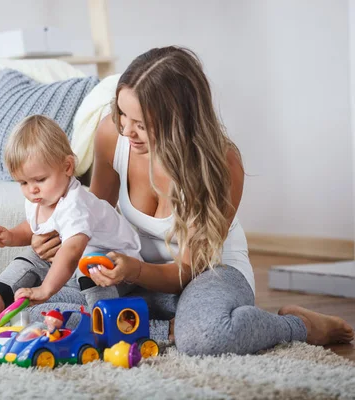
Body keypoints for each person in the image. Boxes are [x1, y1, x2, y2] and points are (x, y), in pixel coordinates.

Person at [26, 46, 354, 355]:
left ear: (179, 121)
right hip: (133, 276)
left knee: (205, 338)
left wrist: (133, 271)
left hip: (205, 274)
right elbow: (90, 213)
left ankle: (299, 326)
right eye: (122, 114)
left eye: (141, 124)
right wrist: (59, 235)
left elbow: (186, 271)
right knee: (29, 316)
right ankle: (165, 327)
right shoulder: (113, 134)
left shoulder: (220, 164)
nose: (126, 130)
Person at [0, 115, 142, 317]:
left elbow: (72, 250)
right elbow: (33, 227)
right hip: (72, 268)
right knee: (30, 257)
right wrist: (10, 236)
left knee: (89, 266)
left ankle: (105, 316)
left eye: (39, 180)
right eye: (23, 183)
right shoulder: (40, 199)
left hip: (117, 271)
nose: (31, 190)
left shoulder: (75, 204)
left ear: (67, 167)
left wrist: (46, 290)